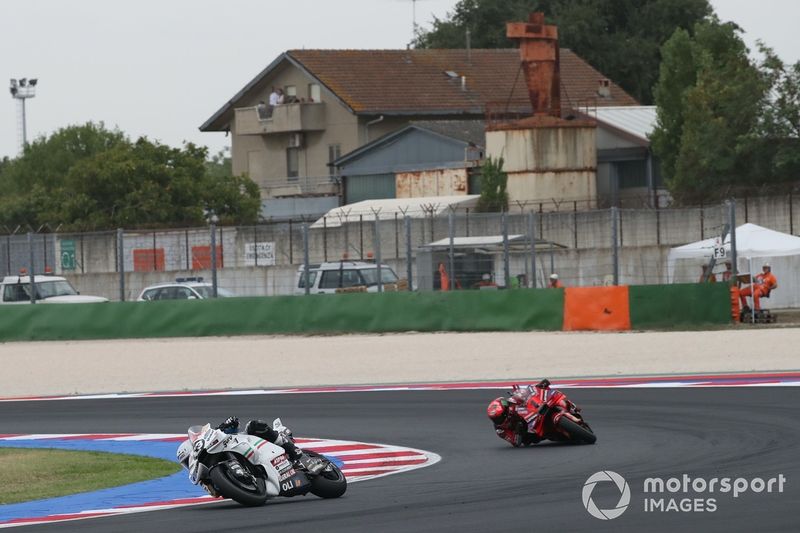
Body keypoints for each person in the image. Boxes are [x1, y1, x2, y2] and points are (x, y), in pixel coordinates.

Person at [216, 416, 321, 471]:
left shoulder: (219, 434)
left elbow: (234, 424)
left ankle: (299, 456)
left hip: (251, 444)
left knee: (254, 425)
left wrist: (227, 424)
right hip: (253, 464)